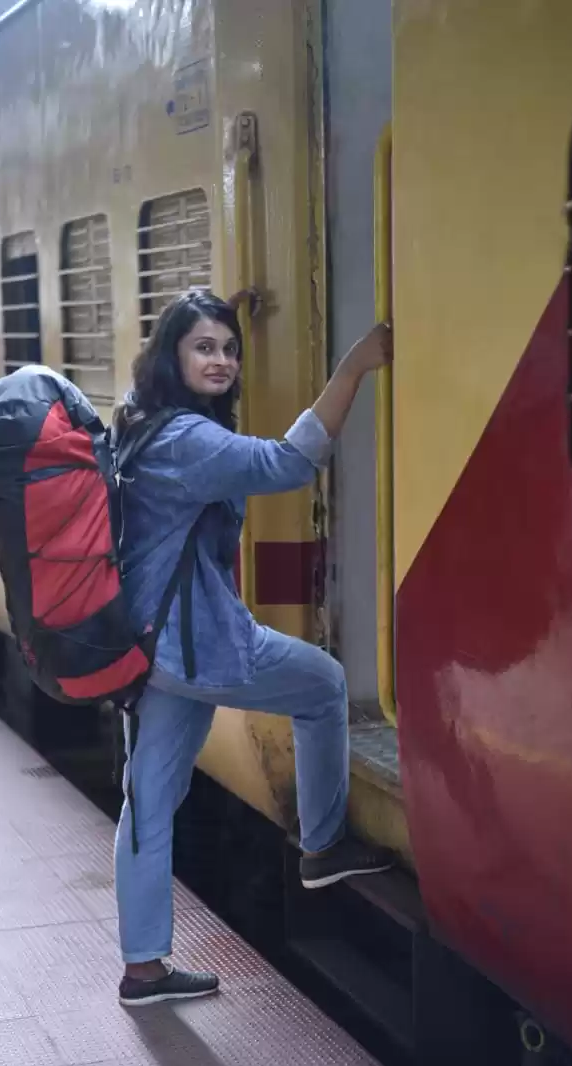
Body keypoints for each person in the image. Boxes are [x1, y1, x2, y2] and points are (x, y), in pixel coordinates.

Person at [113, 288, 393, 1007]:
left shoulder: (141, 419)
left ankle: (143, 969)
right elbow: (288, 463)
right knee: (323, 684)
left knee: (148, 801)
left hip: (153, 649)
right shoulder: (190, 441)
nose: (222, 361)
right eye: (203, 347)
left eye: (230, 349)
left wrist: (214, 317)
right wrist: (353, 369)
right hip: (198, 645)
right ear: (172, 357)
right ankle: (323, 846)